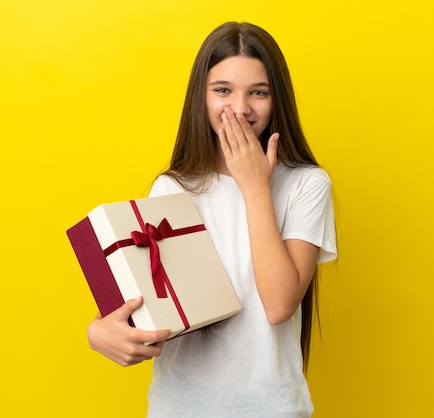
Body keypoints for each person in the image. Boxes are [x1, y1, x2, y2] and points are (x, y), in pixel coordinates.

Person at [86, 21, 337, 417]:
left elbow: (279, 305)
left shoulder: (306, 184)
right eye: (222, 90)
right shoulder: (172, 188)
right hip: (180, 407)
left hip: (273, 408)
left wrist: (255, 188)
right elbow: (146, 306)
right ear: (200, 98)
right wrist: (98, 332)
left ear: (278, 101)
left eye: (259, 92)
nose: (240, 108)